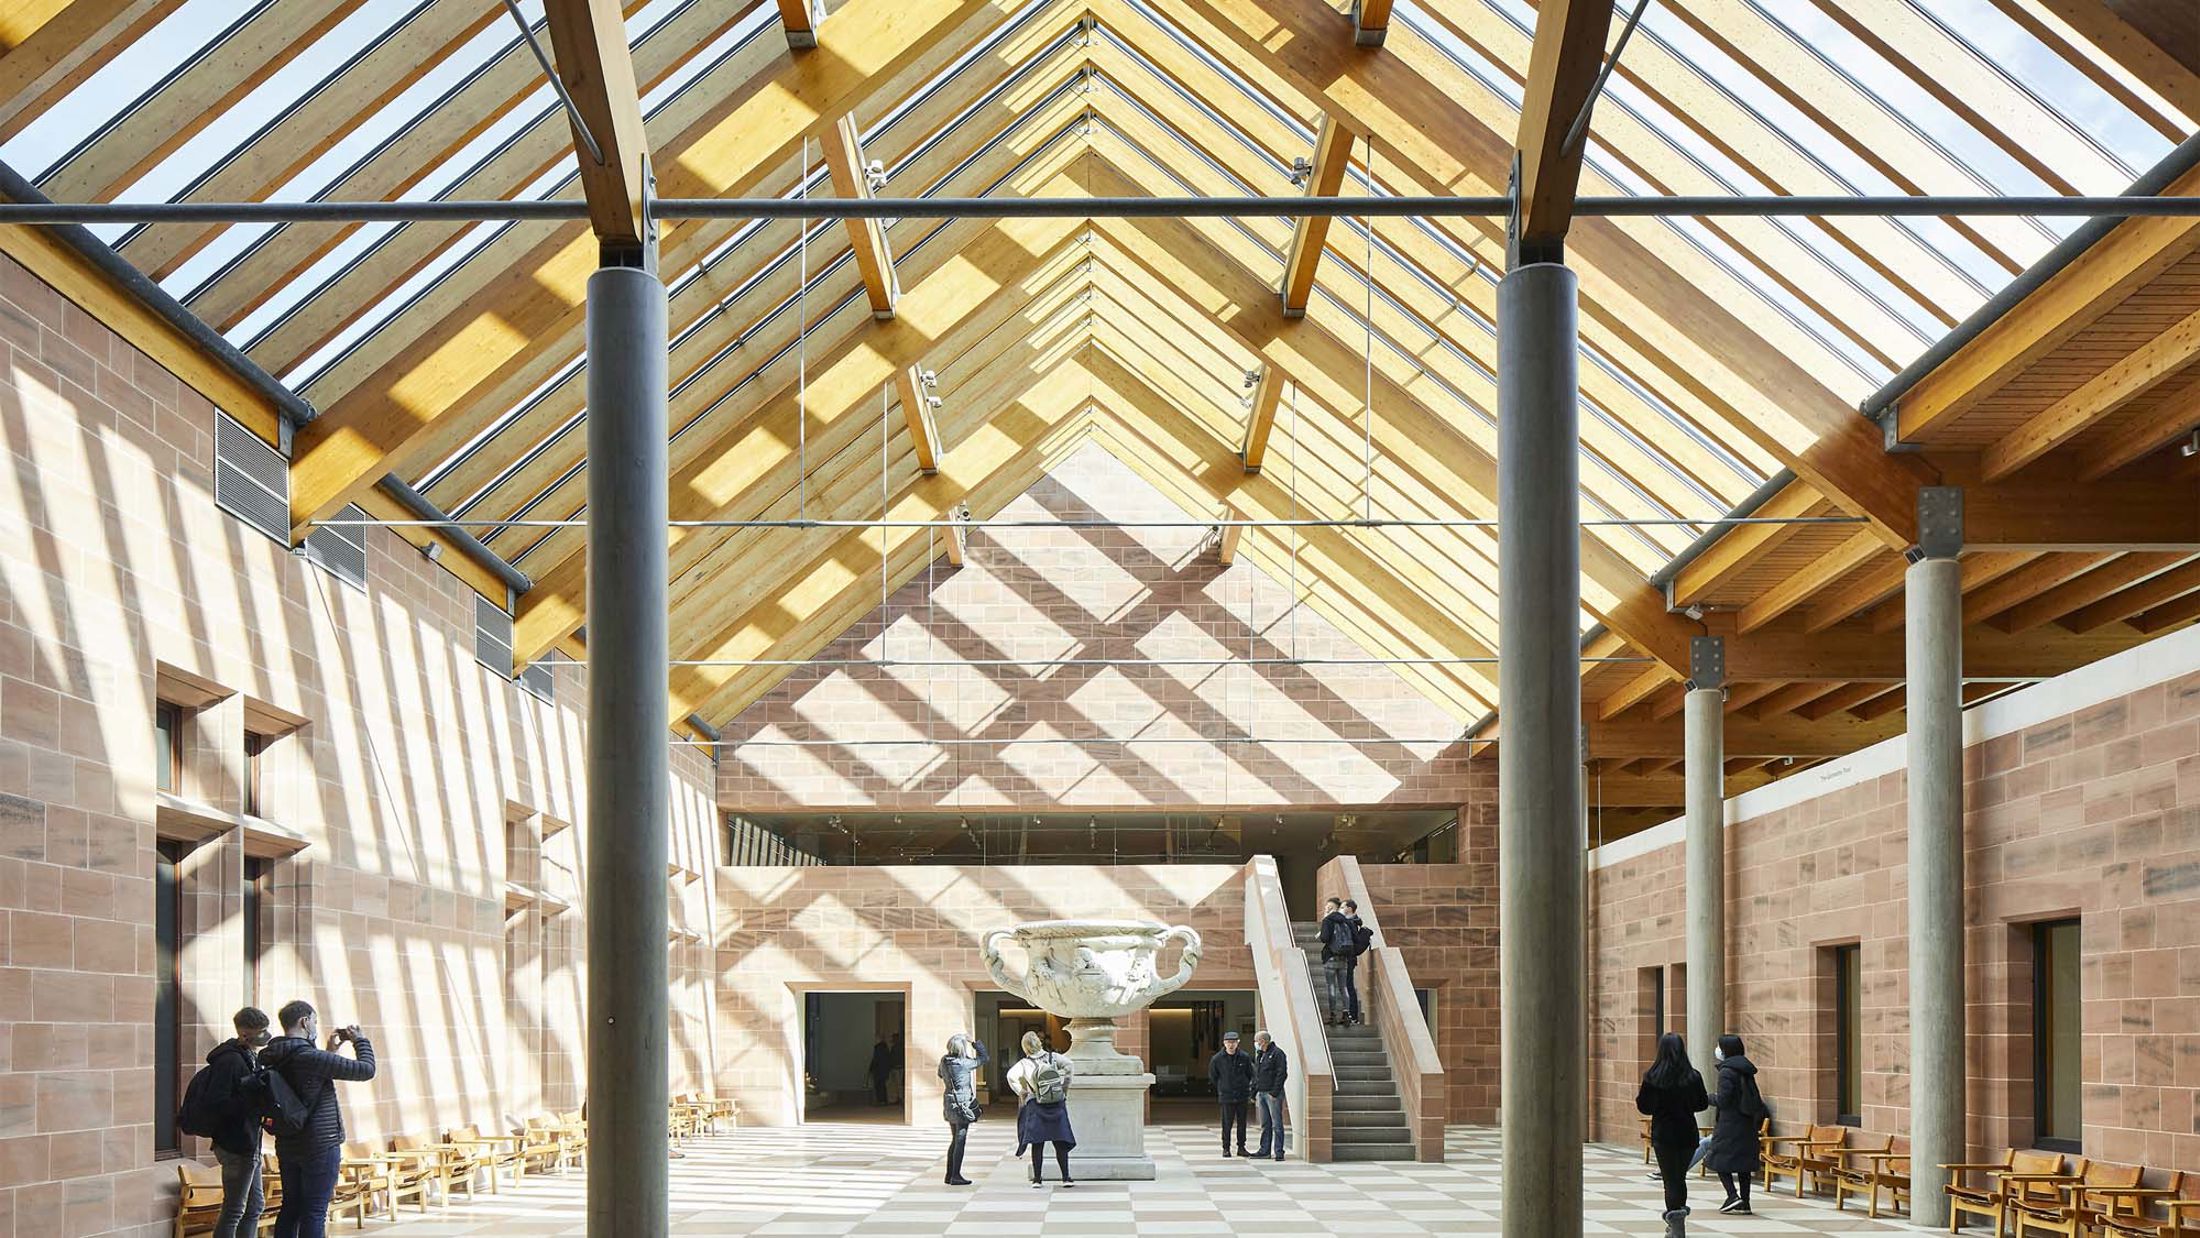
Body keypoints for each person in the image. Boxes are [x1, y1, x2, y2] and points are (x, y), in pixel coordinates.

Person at [258, 1000, 375, 1238]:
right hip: (320, 1143)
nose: (314, 1025)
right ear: (304, 1021)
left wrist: (329, 1052)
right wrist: (360, 1041)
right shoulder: (310, 1058)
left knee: (291, 1207)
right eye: (314, 1021)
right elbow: (365, 1069)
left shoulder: (272, 1055)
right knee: (314, 1211)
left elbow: (306, 1085)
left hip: (288, 1142)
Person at [203, 1007, 272, 1238]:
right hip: (236, 1143)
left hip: (248, 1141)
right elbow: (218, 1103)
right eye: (259, 1032)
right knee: (235, 1208)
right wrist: (251, 1095)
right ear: (244, 1034)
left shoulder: (247, 1056)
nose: (264, 1036)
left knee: (254, 1206)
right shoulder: (230, 1060)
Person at [1635, 1032, 1709, 1236]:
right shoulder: (1693, 1076)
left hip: (1664, 1134)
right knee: (1679, 1177)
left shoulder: (1652, 1077)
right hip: (1687, 1133)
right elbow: (1702, 1104)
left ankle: (1676, 1226)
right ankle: (1678, 1223)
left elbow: (1644, 1106)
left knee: (1670, 1179)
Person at [1704, 1033, 1768, 1215]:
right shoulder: (1745, 1069)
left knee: (1717, 1160)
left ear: (1725, 1050)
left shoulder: (1727, 1071)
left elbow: (1724, 1100)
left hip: (1729, 1124)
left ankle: (1732, 1196)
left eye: (1719, 1046)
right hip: (1747, 1123)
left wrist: (1706, 1098)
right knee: (1743, 1165)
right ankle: (1745, 1202)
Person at [1007, 1030, 1076, 1188]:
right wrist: (1064, 1088)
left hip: (1036, 1104)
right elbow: (1070, 1065)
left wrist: (1022, 1092)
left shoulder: (1024, 1063)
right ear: (1039, 1043)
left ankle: (1037, 1179)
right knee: (1060, 1142)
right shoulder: (1053, 1057)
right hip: (1056, 1104)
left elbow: (1011, 1076)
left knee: (1037, 1143)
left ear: (1025, 1047)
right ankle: (1066, 1177)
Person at [937, 1034, 988, 1186]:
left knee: (955, 1139)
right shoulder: (964, 1063)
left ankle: (949, 1174)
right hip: (963, 1103)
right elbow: (984, 1058)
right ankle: (956, 1175)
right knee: (960, 1139)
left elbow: (940, 1075)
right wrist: (974, 1042)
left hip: (949, 1101)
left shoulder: (944, 1061)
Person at [1208, 1029, 1255, 1157]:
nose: (1231, 1044)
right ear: (1224, 1043)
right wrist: (1222, 1087)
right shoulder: (1217, 1059)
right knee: (1226, 1124)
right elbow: (1213, 1076)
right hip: (1226, 1096)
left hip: (1242, 1095)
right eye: (1228, 1042)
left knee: (1242, 1123)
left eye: (1233, 1042)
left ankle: (1241, 1147)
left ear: (1238, 1042)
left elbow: (1250, 1073)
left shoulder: (1244, 1057)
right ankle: (1226, 1148)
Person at [1251, 1030, 1289, 1161]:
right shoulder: (1260, 1054)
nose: (1255, 1043)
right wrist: (1254, 1092)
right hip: (1261, 1093)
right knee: (1265, 1124)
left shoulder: (1277, 1053)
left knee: (1276, 1124)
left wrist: (1275, 1092)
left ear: (1263, 1041)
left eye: (1256, 1041)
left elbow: (1281, 1073)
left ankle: (1279, 1151)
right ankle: (1264, 1150)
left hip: (1273, 1094)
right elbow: (1258, 1075)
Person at [1318, 897, 1356, 1026]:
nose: (1327, 909)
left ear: (1332, 908)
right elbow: (1355, 938)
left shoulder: (1327, 920)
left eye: (1328, 907)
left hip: (1331, 957)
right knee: (1343, 987)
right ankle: (1346, 1014)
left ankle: (1333, 1015)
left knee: (1331, 986)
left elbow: (1324, 938)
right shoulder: (1346, 921)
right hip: (1344, 958)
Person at [1340, 900, 1367, 1025]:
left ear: (1349, 908)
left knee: (1348, 986)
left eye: (1342, 906)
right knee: (1348, 986)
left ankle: (1353, 1015)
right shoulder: (1353, 921)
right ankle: (1351, 1014)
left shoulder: (1350, 922)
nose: (1341, 908)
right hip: (1348, 959)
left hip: (1348, 959)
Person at [868, 1036, 893, 1106]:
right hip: (884, 1070)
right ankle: (883, 1100)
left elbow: (876, 1059)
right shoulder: (885, 1048)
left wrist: (871, 1068)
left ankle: (881, 1100)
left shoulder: (878, 1048)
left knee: (879, 1086)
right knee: (882, 1085)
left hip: (878, 1070)